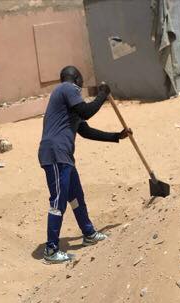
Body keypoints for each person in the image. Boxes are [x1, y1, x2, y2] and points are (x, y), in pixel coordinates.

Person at [38, 66, 132, 263]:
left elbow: (86, 131)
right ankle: (51, 250)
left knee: (75, 196)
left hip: (64, 156)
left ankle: (88, 233)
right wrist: (102, 95)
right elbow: (87, 111)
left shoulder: (70, 106)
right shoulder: (67, 88)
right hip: (55, 154)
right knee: (58, 200)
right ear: (77, 80)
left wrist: (116, 136)